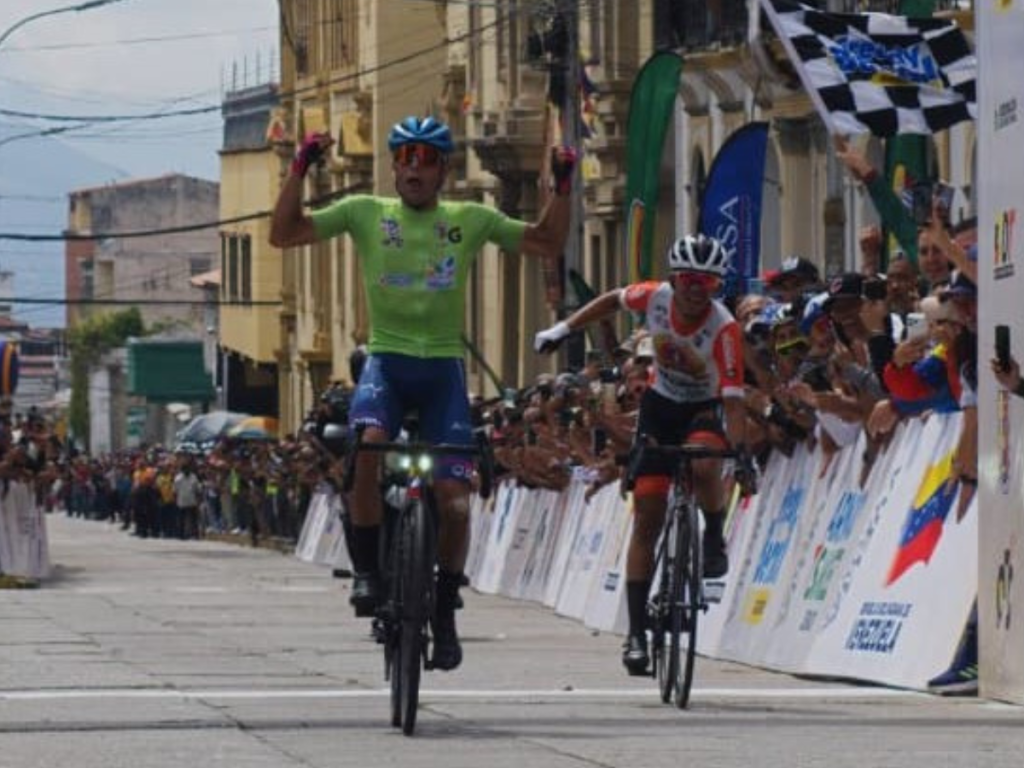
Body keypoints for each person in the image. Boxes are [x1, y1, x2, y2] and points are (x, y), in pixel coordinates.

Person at [270, 115, 577, 671]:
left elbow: (547, 240)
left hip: (441, 372)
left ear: (443, 170)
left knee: (455, 503)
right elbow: (283, 233)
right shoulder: (366, 212)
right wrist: (299, 169)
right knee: (367, 447)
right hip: (386, 364)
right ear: (393, 166)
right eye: (405, 157)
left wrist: (563, 187)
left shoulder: (470, 218)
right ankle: (366, 572)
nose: (414, 168)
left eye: (426, 159)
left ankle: (444, 610)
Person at [534, 233, 754, 675]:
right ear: (675, 278)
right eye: (690, 280)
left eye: (708, 284)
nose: (696, 290)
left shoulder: (725, 328)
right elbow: (611, 301)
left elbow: (733, 399)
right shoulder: (654, 297)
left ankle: (713, 532)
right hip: (660, 406)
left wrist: (744, 453)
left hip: (704, 408)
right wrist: (563, 329)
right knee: (648, 516)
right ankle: (636, 633)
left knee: (706, 461)